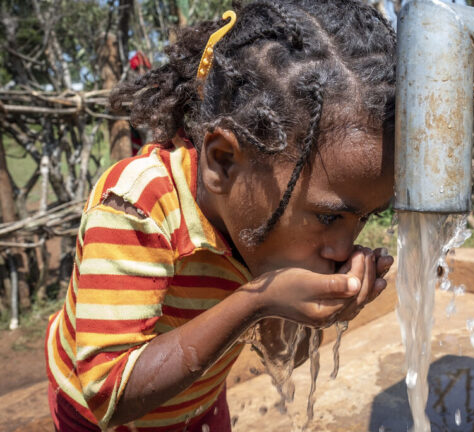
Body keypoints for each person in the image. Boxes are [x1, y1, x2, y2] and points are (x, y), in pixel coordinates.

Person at [45, 1, 396, 430]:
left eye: (363, 219)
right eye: (328, 217)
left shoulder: (257, 227)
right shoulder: (138, 206)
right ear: (223, 161)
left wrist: (318, 309)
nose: (343, 247)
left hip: (199, 406)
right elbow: (108, 394)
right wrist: (258, 300)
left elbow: (279, 353)